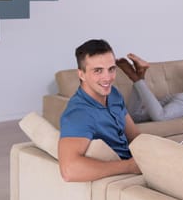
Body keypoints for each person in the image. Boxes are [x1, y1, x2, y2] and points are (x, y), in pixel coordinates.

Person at [58, 39, 141, 182]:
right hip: (126, 175)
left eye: (111, 69)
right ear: (81, 74)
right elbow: (69, 170)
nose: (107, 78)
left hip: (140, 165)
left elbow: (134, 136)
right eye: (98, 71)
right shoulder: (78, 114)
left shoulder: (113, 94)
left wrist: (155, 153)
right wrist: (129, 166)